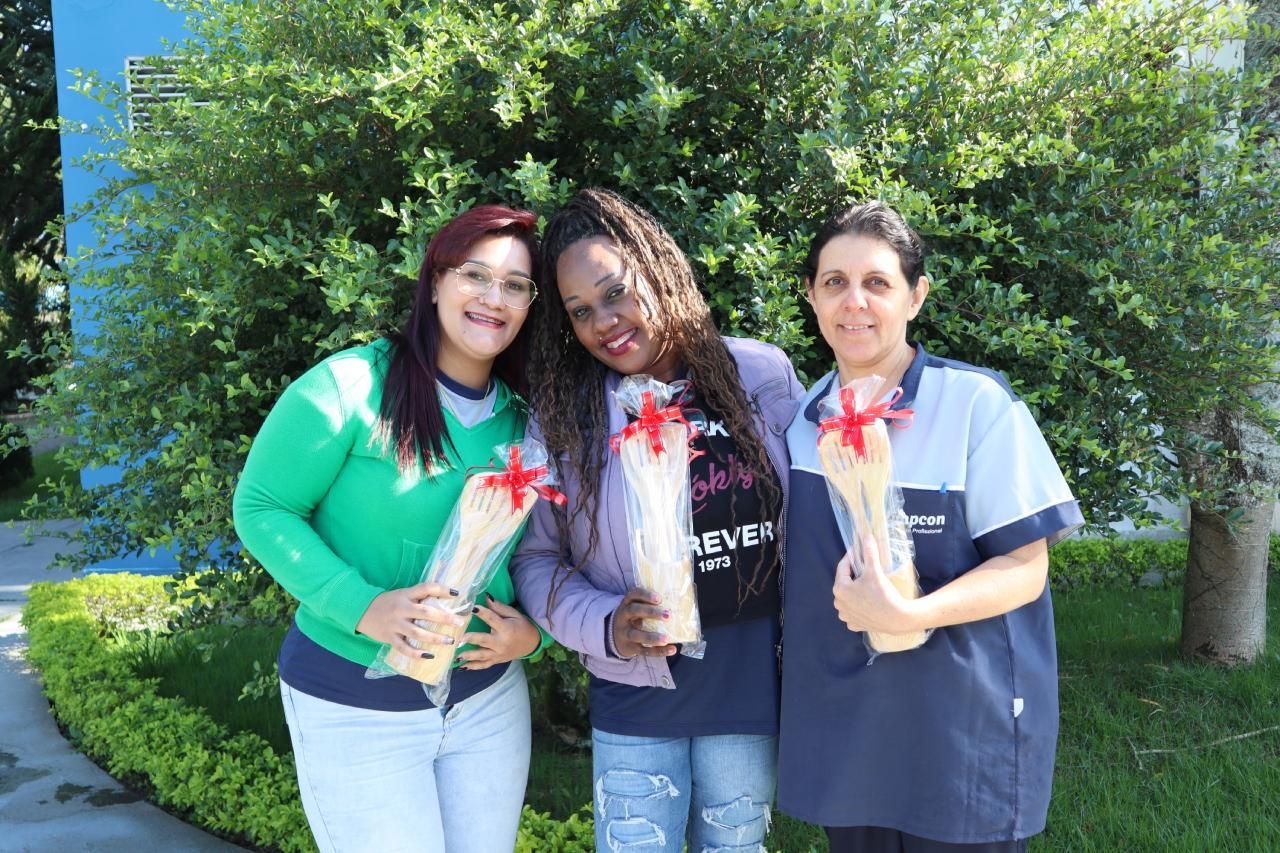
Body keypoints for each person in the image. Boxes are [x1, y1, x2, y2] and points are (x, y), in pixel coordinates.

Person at [232, 204, 553, 853]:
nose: (495, 298)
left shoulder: (529, 422)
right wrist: (365, 606)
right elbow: (261, 507)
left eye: (516, 285)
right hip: (353, 704)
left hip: (488, 705)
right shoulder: (348, 387)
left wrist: (534, 634)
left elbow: (544, 552)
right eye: (476, 275)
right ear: (435, 280)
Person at [777, 201, 1084, 852]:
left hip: (959, 736)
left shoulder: (975, 403)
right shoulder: (806, 421)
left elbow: (1026, 567)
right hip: (851, 738)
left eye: (878, 283)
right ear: (810, 295)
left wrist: (907, 611)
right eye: (834, 281)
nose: (853, 301)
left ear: (916, 296)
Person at [509, 187, 802, 853]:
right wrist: (606, 624)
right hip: (638, 693)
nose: (603, 322)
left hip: (746, 684)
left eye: (615, 291)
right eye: (581, 311)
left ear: (657, 266)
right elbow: (536, 559)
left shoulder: (760, 374)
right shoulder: (566, 415)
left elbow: (809, 515)